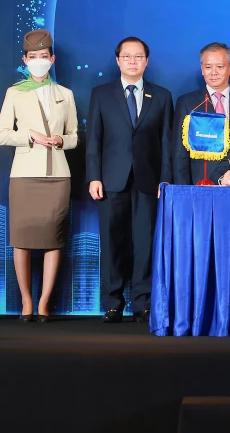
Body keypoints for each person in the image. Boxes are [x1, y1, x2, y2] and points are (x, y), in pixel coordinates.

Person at [86, 37, 173, 324]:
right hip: (111, 180)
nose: (133, 61)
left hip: (149, 182)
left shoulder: (162, 96)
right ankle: (112, 303)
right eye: (127, 56)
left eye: (138, 56)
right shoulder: (101, 94)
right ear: (118, 60)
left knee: (145, 243)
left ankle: (142, 302)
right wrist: (94, 177)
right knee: (112, 242)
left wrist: (165, 179)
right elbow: (94, 140)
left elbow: (167, 143)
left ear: (146, 61)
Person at [0, 30, 78, 322]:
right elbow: (2, 135)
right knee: (22, 239)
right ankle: (26, 302)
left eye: (44, 56)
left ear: (52, 59)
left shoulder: (65, 94)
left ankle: (44, 303)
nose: (39, 60)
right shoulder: (15, 92)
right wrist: (29, 135)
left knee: (53, 238)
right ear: (25, 60)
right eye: (33, 56)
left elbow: (74, 137)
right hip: (24, 176)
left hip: (57, 176)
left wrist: (60, 140)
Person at [173, 42, 230, 185]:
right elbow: (180, 153)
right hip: (199, 185)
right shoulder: (187, 103)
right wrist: (183, 190)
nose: (213, 72)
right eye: (208, 67)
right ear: (202, 70)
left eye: (220, 67)